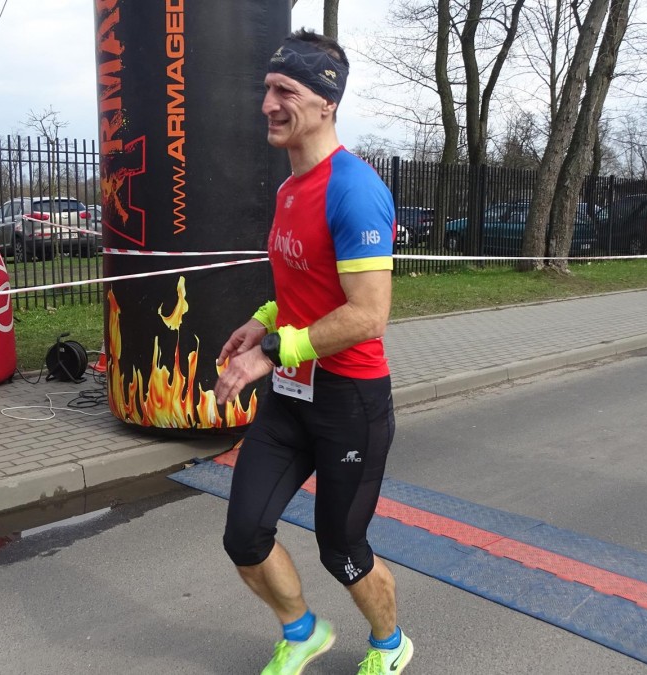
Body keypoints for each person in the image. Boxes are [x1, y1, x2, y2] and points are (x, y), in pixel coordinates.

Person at [213, 29, 411, 675]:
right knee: (244, 534)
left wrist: (272, 351)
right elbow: (304, 287)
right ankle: (302, 631)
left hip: (350, 400)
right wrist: (261, 322)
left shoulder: (354, 189)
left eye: (285, 91)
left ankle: (390, 644)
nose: (268, 104)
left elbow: (368, 314)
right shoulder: (289, 189)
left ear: (327, 102)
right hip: (291, 396)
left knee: (342, 549)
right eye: (267, 89)